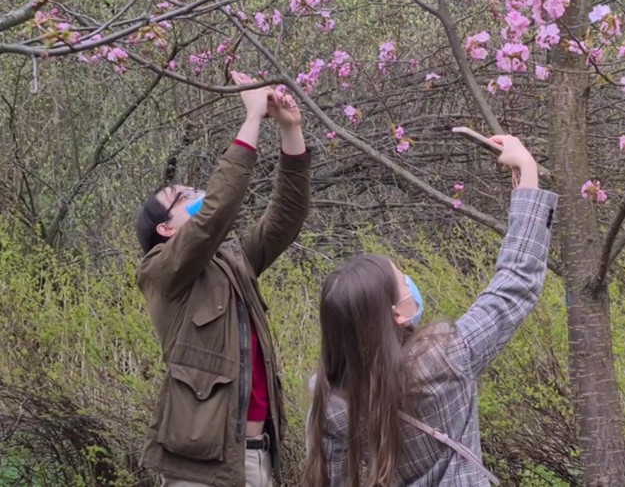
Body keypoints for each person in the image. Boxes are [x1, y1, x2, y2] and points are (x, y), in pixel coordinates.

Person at [304, 135, 557, 487]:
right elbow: (516, 283)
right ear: (396, 314)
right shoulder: (443, 359)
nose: (409, 281)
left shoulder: (332, 403)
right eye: (403, 281)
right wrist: (526, 174)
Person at [135, 71, 311, 487]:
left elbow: (287, 217)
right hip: (202, 471)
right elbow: (217, 211)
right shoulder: (161, 272)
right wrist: (251, 118)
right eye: (183, 197)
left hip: (255, 457)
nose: (196, 194)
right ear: (165, 229)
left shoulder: (230, 261)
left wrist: (290, 130)